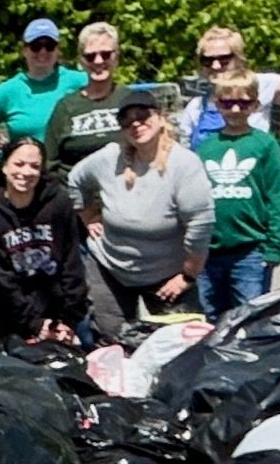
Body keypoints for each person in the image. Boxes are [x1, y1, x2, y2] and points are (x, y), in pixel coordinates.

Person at [72, 86, 215, 328]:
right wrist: (89, 216)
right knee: (112, 341)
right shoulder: (109, 157)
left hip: (168, 274)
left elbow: (200, 226)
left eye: (142, 116)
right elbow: (76, 180)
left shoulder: (184, 164)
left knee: (179, 344)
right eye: (126, 122)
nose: (135, 124)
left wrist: (188, 276)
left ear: (160, 118)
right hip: (110, 267)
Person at [194, 70, 280, 315]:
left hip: (250, 249)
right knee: (210, 316)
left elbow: (276, 196)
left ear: (256, 105)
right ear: (217, 105)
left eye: (244, 102)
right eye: (228, 103)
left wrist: (276, 245)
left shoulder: (264, 144)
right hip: (210, 250)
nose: (236, 109)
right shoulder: (205, 147)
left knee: (249, 315)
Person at [0, 136, 89, 343]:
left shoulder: (59, 204)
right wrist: (36, 325)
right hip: (15, 316)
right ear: (4, 167)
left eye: (34, 166)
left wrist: (68, 319)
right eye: (18, 164)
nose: (26, 172)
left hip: (62, 312)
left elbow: (72, 263)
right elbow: (3, 281)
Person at [173, 26, 280, 146]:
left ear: (239, 58)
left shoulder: (261, 84)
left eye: (224, 59)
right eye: (208, 60)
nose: (216, 66)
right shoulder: (196, 107)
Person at [0, 18, 86, 157]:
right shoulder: (8, 90)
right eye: (36, 46)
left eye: (49, 46)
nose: (43, 52)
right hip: (29, 174)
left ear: (58, 50)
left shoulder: (81, 81)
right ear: (24, 50)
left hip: (72, 172)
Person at [41, 22, 127, 178]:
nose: (98, 61)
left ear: (117, 57)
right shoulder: (66, 107)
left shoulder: (130, 101)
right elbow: (50, 163)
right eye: (90, 56)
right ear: (81, 61)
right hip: (76, 195)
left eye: (106, 54)